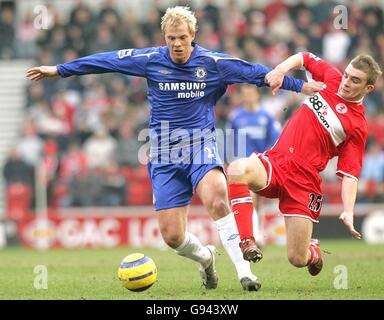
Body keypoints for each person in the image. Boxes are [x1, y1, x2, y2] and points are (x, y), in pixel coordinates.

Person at [26, 6, 323, 291]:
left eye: (182, 38)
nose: (177, 44)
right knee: (172, 236)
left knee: (218, 197)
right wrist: (59, 70)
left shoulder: (213, 64)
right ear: (164, 38)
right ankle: (206, 258)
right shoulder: (150, 59)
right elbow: (107, 60)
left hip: (200, 145)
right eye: (171, 39)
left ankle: (246, 273)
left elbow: (257, 73)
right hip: (164, 153)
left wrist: (299, 87)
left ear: (192, 35)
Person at [227, 51, 382, 277]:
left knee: (297, 258)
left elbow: (350, 174)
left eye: (355, 80)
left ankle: (313, 252)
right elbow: (304, 57)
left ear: (368, 88)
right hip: (276, 161)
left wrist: (348, 211)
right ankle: (248, 241)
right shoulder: (332, 78)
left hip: (304, 182)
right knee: (236, 169)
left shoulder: (357, 125)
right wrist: (280, 70)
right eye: (347, 75)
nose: (346, 82)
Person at [227, 84, 281, 247]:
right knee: (250, 197)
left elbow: (275, 141)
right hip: (242, 164)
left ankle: (254, 234)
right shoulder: (236, 117)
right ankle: (254, 236)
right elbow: (230, 141)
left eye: (251, 93)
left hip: (260, 163)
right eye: (245, 93)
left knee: (256, 201)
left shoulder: (267, 117)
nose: (248, 96)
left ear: (257, 95)